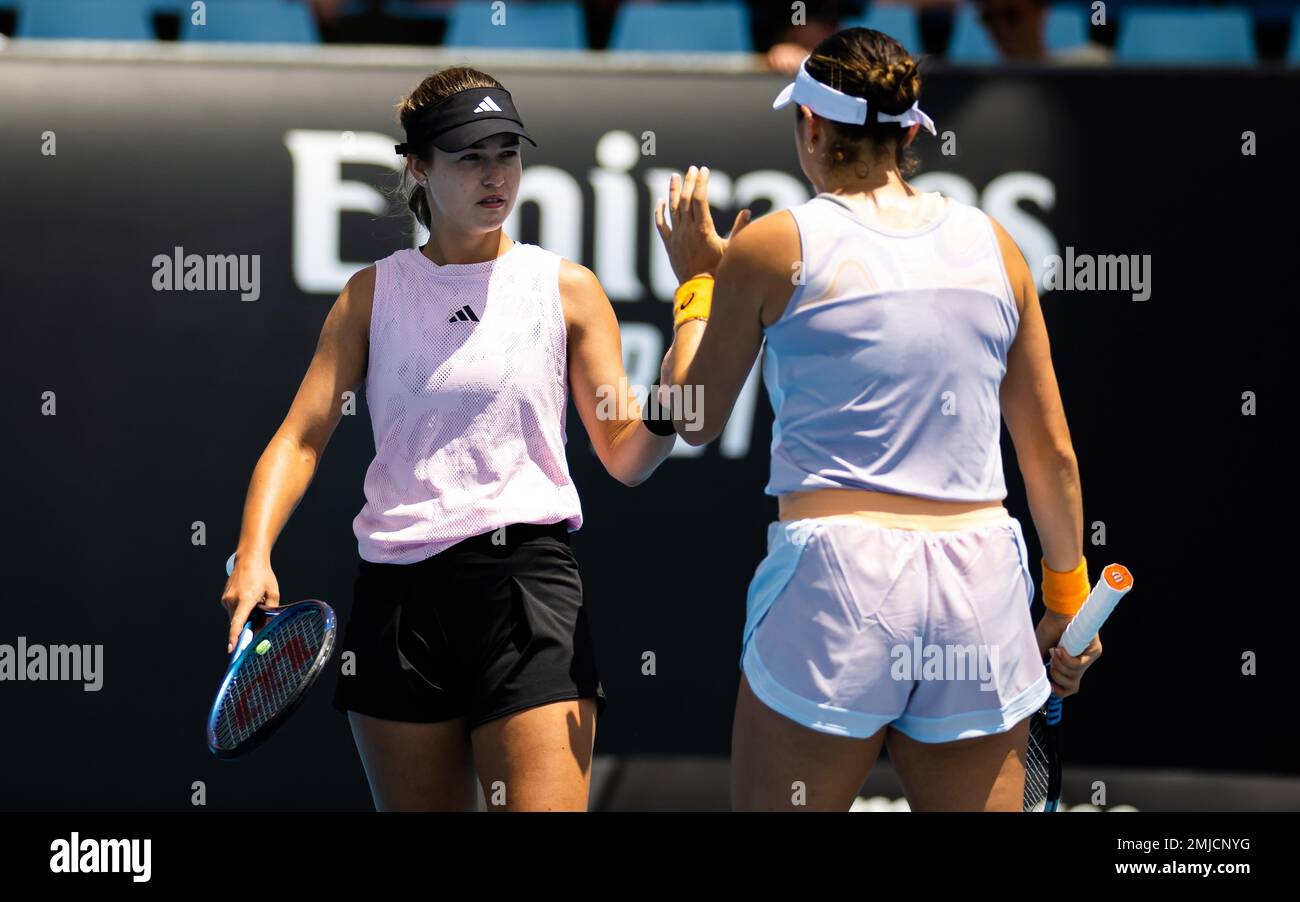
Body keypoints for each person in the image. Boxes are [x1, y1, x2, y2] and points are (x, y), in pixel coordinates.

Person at [653, 27, 1102, 811]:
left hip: (840, 592)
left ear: (813, 129)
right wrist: (1069, 604)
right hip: (979, 591)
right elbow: (1052, 455)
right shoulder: (997, 243)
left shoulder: (772, 245)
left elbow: (691, 417)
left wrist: (697, 282)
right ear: (906, 133)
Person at [219, 66, 678, 811]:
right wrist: (255, 551)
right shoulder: (373, 296)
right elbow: (300, 440)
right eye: (470, 155)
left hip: (525, 596)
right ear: (419, 168)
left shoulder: (566, 289)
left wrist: (668, 402)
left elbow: (627, 454)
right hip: (397, 607)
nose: (495, 174)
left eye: (507, 151)